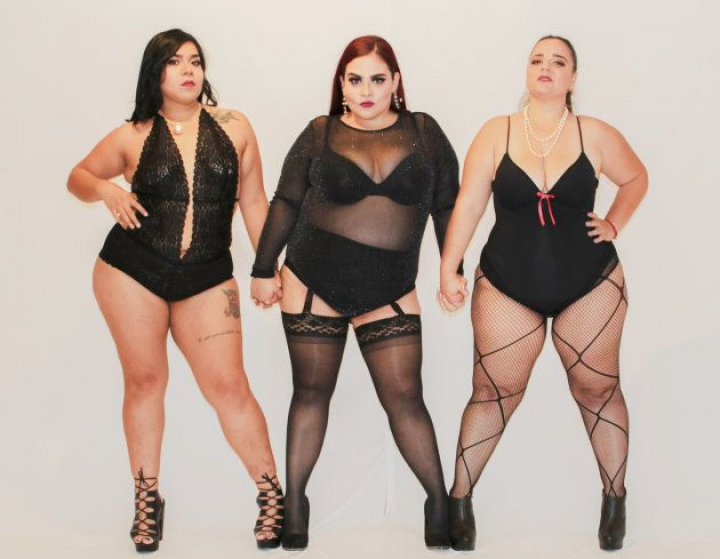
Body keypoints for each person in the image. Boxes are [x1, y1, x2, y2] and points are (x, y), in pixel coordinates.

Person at [67, 29, 284, 551]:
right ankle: (147, 498)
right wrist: (106, 190)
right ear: (155, 73)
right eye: (174, 62)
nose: (188, 70)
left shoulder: (235, 126)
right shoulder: (133, 134)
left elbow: (254, 201)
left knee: (229, 387)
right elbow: (77, 176)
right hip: (131, 271)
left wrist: (267, 267)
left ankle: (272, 495)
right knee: (145, 381)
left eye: (195, 61)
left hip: (206, 276)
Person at [250, 35, 461, 550]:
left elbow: (448, 206)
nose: (367, 91)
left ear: (396, 82)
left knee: (405, 399)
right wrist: (262, 268)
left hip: (390, 288)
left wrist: (452, 269)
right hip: (312, 280)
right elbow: (286, 201)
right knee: (310, 394)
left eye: (377, 79)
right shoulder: (320, 132)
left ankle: (438, 502)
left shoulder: (424, 132)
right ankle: (294, 506)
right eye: (355, 79)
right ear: (341, 85)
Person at [438, 35, 648, 551]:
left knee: (597, 390)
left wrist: (614, 224)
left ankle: (614, 498)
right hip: (507, 282)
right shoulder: (497, 132)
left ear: (573, 78)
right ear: (526, 71)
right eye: (537, 60)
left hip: (590, 282)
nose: (545, 68)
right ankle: (459, 501)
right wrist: (449, 266)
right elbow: (469, 204)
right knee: (493, 391)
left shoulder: (594, 133)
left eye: (558, 62)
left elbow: (636, 178)